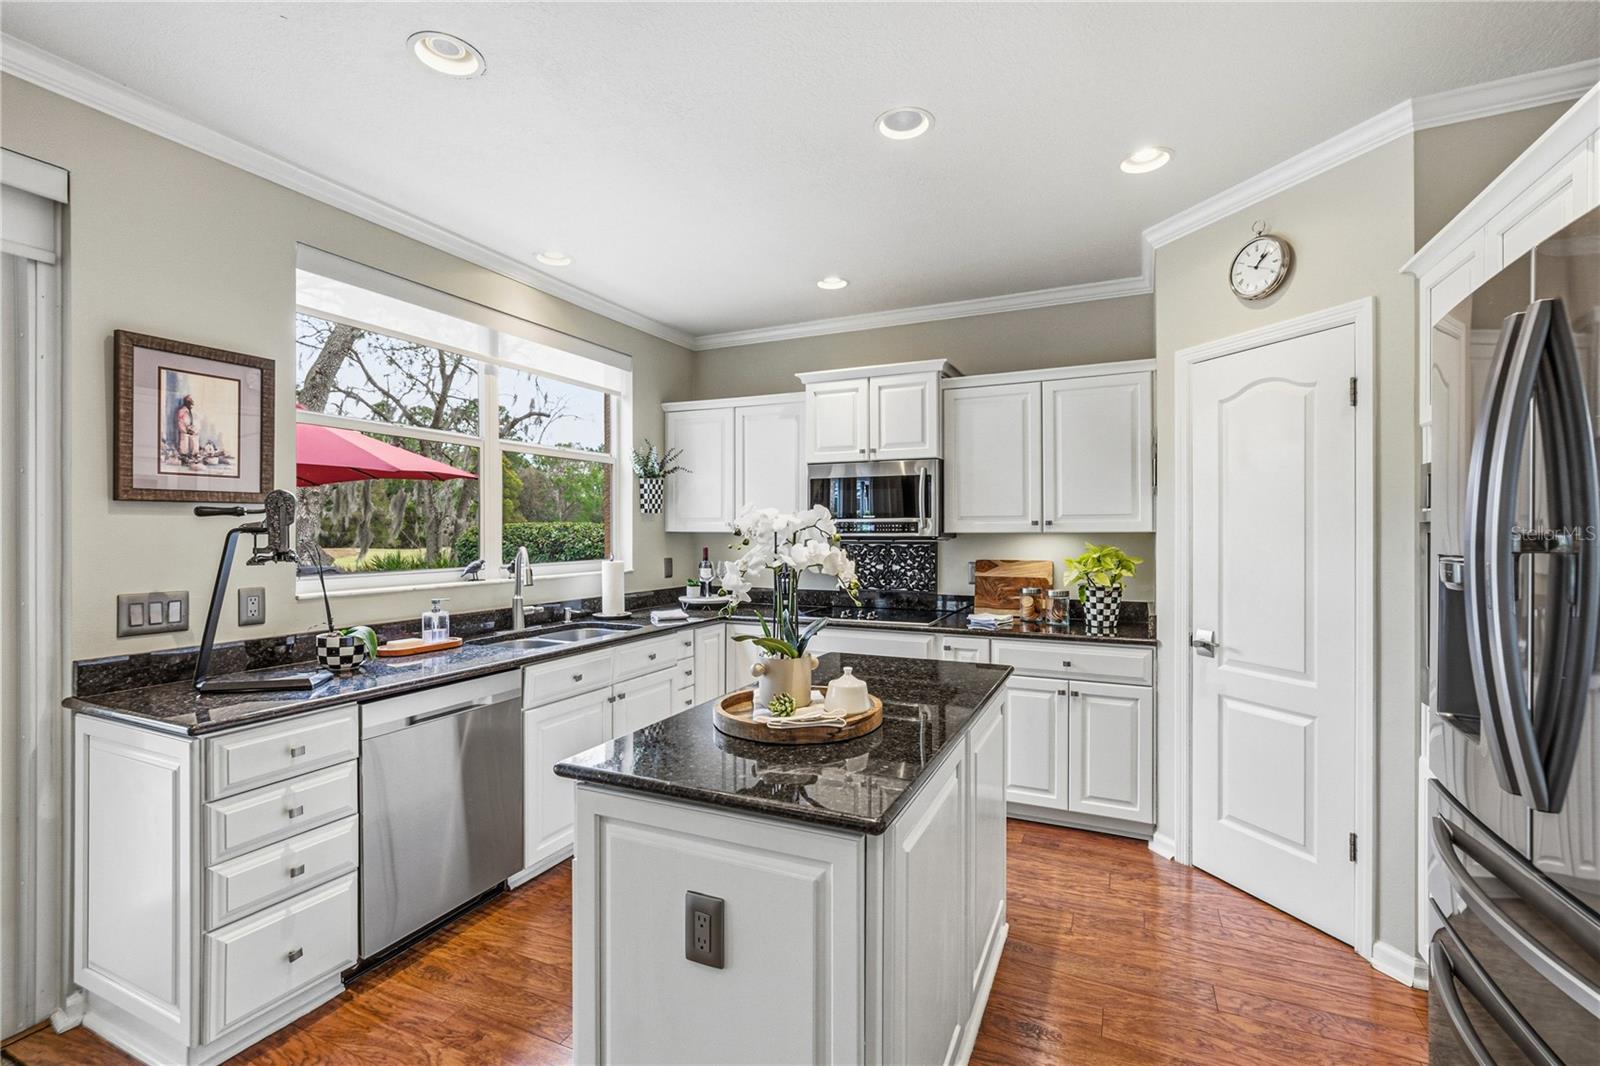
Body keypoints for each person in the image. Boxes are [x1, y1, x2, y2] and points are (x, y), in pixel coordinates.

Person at [175, 393, 199, 466]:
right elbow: (180, 422)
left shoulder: (194, 412)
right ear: (186, 402)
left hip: (192, 431)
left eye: (192, 401)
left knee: (194, 443)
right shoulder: (182, 411)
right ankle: (184, 458)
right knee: (184, 445)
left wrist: (194, 430)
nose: (192, 403)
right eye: (190, 401)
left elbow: (197, 422)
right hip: (185, 432)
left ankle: (194, 457)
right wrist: (186, 430)